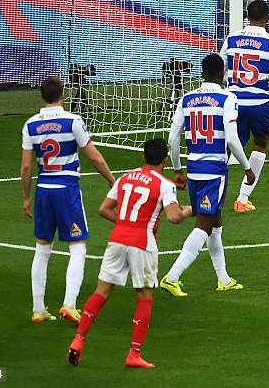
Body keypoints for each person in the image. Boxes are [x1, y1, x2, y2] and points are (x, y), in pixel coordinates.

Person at [67, 139, 193, 368]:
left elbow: (104, 209)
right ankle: (134, 353)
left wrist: (125, 221)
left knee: (101, 293)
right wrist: (190, 211)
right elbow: (173, 217)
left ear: (143, 157)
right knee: (144, 295)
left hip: (117, 239)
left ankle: (78, 340)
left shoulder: (125, 178)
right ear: (165, 160)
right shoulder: (165, 185)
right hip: (143, 243)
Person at [160, 53, 255, 297]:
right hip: (214, 170)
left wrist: (178, 169)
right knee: (204, 224)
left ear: (202, 73)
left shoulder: (187, 98)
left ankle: (223, 278)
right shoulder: (227, 98)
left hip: (193, 169)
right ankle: (172, 276)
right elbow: (232, 140)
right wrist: (247, 167)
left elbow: (172, 138)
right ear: (222, 73)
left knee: (215, 223)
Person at [21, 76, 114, 324]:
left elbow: (27, 167)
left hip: (44, 189)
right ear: (63, 94)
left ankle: (38, 309)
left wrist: (27, 198)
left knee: (42, 249)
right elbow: (95, 157)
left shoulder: (30, 125)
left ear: (41, 96)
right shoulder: (73, 121)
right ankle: (69, 304)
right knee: (78, 246)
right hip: (67, 189)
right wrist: (111, 181)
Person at [220, 0, 269, 212]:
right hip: (259, 104)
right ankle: (242, 199)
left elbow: (220, 73)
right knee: (260, 145)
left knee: (227, 149)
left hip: (233, 102)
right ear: (267, 18)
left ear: (247, 16)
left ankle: (214, 197)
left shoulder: (231, 39)